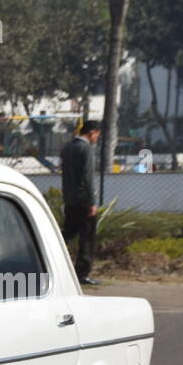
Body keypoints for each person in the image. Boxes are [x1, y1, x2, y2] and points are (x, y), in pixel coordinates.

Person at [61, 119, 101, 286]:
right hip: (83, 200)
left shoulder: (68, 147)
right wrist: (92, 202)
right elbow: (88, 177)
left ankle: (50, 260)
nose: (97, 138)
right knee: (87, 236)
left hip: (69, 198)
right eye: (97, 135)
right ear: (92, 133)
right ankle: (82, 273)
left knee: (67, 233)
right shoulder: (86, 149)